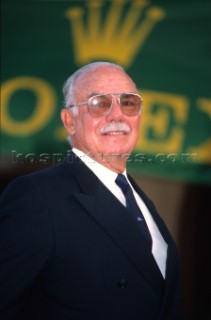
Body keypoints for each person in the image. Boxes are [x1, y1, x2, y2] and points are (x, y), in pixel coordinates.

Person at [0, 61, 182, 320]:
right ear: (69, 120)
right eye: (100, 103)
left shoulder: (140, 201)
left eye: (128, 102)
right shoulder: (36, 197)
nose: (117, 115)